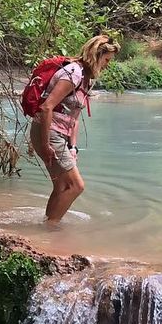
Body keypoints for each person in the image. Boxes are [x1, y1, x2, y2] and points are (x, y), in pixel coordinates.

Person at [30, 34, 120, 226]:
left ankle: (46, 225)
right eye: (107, 60)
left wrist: (73, 147)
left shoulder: (87, 78)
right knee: (76, 186)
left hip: (59, 134)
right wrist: (45, 145)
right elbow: (47, 107)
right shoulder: (73, 73)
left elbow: (74, 118)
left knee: (62, 185)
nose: (107, 65)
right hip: (48, 132)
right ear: (97, 55)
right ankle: (51, 227)